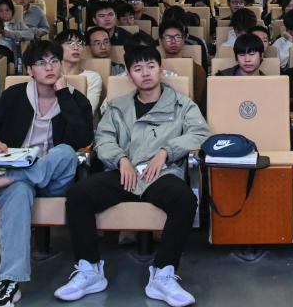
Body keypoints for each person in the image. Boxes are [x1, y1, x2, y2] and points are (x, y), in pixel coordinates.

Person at [57, 44, 209, 306]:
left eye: (151, 66)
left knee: (184, 199)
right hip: (123, 173)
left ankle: (163, 273)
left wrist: (167, 151)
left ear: (161, 69)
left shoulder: (182, 104)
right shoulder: (117, 107)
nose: (145, 73)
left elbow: (200, 133)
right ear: (129, 75)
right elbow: (103, 139)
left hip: (161, 174)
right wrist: (121, 159)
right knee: (79, 195)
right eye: (138, 68)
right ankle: (89, 269)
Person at [0, 40, 94, 307]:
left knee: (65, 151)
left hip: (55, 181)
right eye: (41, 63)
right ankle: (9, 281)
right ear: (29, 69)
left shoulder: (75, 99)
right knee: (18, 191)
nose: (49, 68)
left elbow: (83, 138)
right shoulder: (15, 96)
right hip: (19, 175)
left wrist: (64, 96)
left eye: (54, 61)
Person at [157, 20, 206, 112]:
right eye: (168, 37)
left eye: (178, 37)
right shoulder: (155, 69)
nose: (173, 41)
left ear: (183, 40)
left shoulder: (197, 70)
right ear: (160, 41)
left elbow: (199, 105)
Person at [57, 30, 103, 112]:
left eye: (79, 43)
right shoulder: (51, 76)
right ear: (57, 48)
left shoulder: (92, 77)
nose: (76, 47)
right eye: (69, 43)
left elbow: (89, 112)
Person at [0, 0, 38, 67]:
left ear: (12, 11)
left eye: (7, 10)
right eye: (1, 11)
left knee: (1, 53)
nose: (4, 13)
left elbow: (30, 34)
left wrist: (9, 33)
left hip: (9, 50)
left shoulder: (18, 23)